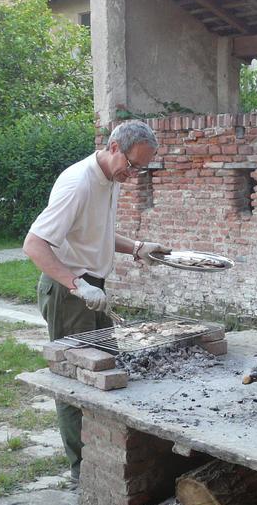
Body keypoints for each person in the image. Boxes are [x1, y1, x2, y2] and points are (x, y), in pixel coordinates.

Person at [23, 120, 170, 485]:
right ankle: (83, 472)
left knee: (103, 371)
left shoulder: (110, 178)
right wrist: (77, 285)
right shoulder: (78, 183)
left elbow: (96, 233)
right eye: (132, 166)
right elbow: (34, 245)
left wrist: (137, 247)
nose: (133, 175)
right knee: (74, 379)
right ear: (114, 147)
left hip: (92, 288)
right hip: (68, 292)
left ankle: (105, 456)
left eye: (141, 169)